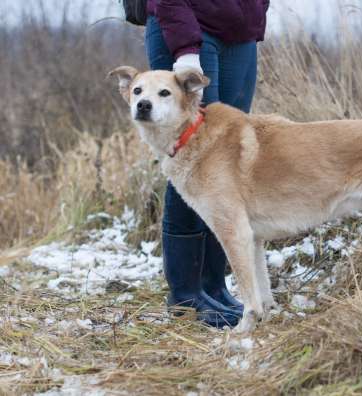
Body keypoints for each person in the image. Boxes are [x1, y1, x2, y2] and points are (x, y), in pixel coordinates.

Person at [144, 0, 269, 328]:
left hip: (239, 33)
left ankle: (215, 287)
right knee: (191, 159)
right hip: (188, 27)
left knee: (224, 169)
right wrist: (185, 47)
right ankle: (186, 296)